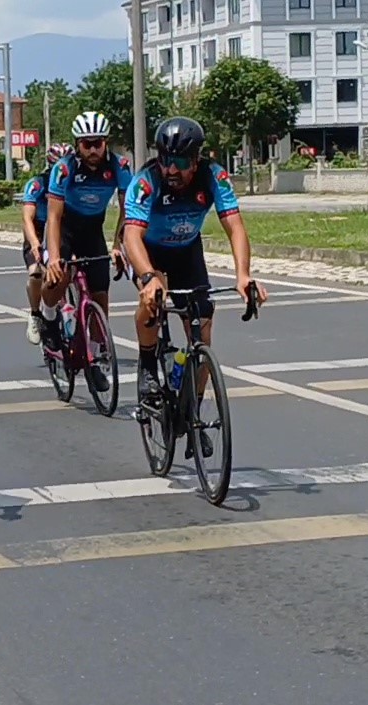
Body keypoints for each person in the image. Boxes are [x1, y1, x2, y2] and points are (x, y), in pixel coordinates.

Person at [122, 116, 269, 456]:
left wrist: (243, 275)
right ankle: (147, 366)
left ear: (197, 159)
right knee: (153, 299)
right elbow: (131, 235)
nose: (172, 170)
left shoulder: (213, 176)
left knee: (202, 334)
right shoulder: (146, 181)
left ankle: (192, 411)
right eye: (165, 160)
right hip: (149, 252)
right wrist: (146, 277)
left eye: (181, 162)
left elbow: (235, 227)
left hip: (188, 251)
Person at [40, 111, 133, 393]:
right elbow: (53, 218)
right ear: (77, 144)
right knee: (59, 277)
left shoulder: (119, 166)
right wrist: (54, 257)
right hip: (64, 229)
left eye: (98, 143)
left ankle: (94, 356)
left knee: (100, 294)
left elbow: (127, 210)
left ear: (106, 142)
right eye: (86, 144)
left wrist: (119, 247)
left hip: (93, 230)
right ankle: (47, 316)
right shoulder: (65, 169)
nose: (93, 149)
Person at [19, 144, 72, 344]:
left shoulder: (72, 183)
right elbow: (27, 218)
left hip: (62, 226)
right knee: (36, 271)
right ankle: (34, 314)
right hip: (39, 228)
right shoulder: (37, 184)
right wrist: (34, 243)